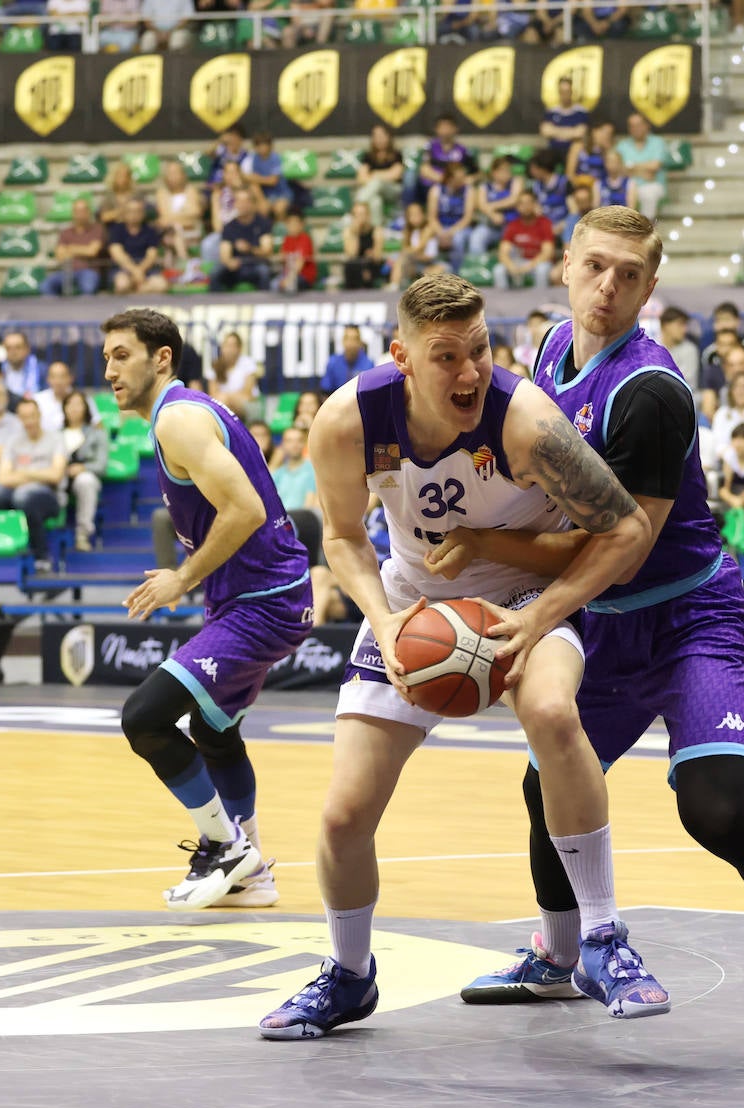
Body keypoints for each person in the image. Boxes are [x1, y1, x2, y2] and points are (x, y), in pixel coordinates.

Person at [441, 207, 744, 1044]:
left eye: (628, 275)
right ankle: (557, 957)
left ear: (649, 287)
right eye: (595, 266)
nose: (607, 287)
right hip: (604, 619)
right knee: (545, 784)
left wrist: (529, 608)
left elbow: (624, 549)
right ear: (565, 266)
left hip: (687, 615)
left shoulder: (651, 391)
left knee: (715, 810)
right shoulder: (547, 356)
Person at [260, 272, 670, 1039]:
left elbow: (623, 531)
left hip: (522, 596)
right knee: (344, 813)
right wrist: (381, 623)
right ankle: (349, 974)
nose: (471, 371)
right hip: (414, 604)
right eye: (447, 356)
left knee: (551, 711)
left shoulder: (525, 423)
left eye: (479, 349)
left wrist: (543, 614)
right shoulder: (348, 421)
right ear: (402, 358)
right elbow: (344, 538)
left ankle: (604, 939)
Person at [107, 309, 312, 909]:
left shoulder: (178, 421)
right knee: (214, 731)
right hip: (252, 596)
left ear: (161, 357)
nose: (110, 371)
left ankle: (225, 848)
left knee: (144, 718)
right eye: (106, 359)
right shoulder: (189, 413)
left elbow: (245, 510)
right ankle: (252, 876)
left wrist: (182, 577)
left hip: (262, 600)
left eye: (122, 355)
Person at [0, 398, 66, 569]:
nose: (29, 421)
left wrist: (22, 472)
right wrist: (40, 474)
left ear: (39, 415)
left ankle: (41, 556)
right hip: (17, 493)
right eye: (24, 417)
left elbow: (56, 475)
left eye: (32, 416)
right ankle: (7, 549)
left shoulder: (56, 439)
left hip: (49, 496)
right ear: (19, 419)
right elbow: (3, 478)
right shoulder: (13, 441)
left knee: (23, 497)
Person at [61, 389, 107, 552]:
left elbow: (101, 465)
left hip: (85, 475)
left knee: (85, 481)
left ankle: (82, 534)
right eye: (70, 404)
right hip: (60, 476)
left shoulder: (97, 433)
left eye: (78, 404)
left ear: (86, 408)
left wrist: (82, 468)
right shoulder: (55, 435)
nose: (74, 408)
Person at [209, 188, 273, 292]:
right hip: (235, 266)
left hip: (255, 263)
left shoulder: (263, 224)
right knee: (215, 272)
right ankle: (217, 303)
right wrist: (229, 262)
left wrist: (250, 249)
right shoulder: (229, 227)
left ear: (253, 204)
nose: (242, 204)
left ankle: (264, 302)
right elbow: (224, 253)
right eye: (239, 201)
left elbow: (267, 251)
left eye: (246, 201)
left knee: (264, 271)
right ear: (235, 204)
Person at [41, 197, 105, 296]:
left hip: (88, 271)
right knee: (45, 286)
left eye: (83, 210)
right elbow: (60, 255)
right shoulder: (66, 232)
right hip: (67, 271)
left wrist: (71, 248)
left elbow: (92, 251)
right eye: (77, 211)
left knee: (88, 286)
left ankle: (85, 310)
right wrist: (82, 250)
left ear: (89, 212)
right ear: (73, 213)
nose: (80, 214)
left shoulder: (97, 229)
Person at [494, 188, 555, 289]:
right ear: (517, 207)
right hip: (518, 261)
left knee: (542, 270)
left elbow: (547, 253)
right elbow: (503, 252)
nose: (525, 206)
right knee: (498, 270)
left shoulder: (545, 223)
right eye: (521, 203)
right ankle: (504, 301)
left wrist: (529, 266)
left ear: (534, 204)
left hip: (537, 262)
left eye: (528, 203)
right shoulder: (512, 225)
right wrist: (510, 266)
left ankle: (540, 300)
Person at [109, 197, 169, 295]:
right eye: (130, 211)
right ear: (124, 213)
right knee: (122, 284)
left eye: (137, 211)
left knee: (161, 285)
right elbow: (117, 254)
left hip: (147, 268)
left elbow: (152, 255)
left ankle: (136, 290)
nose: (134, 215)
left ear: (143, 213)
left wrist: (140, 271)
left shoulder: (150, 231)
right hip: (123, 268)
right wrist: (135, 271)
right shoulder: (116, 230)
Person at [615, 113, 667, 221]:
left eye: (638, 125)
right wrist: (643, 171)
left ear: (646, 126)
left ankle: (646, 229)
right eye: (632, 126)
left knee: (648, 193)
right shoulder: (622, 145)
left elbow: (655, 166)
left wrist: (631, 167)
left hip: (652, 184)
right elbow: (618, 168)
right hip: (626, 185)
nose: (635, 129)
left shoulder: (658, 142)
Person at [354, 123, 404, 227]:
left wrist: (374, 174)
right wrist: (383, 175)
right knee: (375, 201)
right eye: (375, 136)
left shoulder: (396, 154)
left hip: (393, 191)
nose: (378, 139)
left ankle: (357, 205)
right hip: (374, 192)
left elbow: (396, 175)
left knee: (377, 182)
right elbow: (360, 178)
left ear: (388, 137)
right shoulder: (368, 156)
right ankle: (377, 230)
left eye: (381, 136)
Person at [270, 426, 317, 512]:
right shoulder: (277, 474)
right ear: (283, 444)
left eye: (299, 440)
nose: (294, 445)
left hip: (303, 521)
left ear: (304, 444)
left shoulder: (313, 471)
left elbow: (310, 503)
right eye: (289, 441)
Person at [342, 201, 385, 291]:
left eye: (362, 214)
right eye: (357, 215)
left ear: (368, 215)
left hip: (372, 264)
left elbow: (378, 257)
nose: (360, 217)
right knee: (350, 266)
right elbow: (352, 254)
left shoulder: (376, 231)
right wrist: (356, 232)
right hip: (355, 266)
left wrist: (372, 253)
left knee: (368, 267)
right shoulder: (349, 232)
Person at [539, 77, 589, 155]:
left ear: (572, 92)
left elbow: (580, 133)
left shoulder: (581, 112)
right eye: (562, 92)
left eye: (567, 91)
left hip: (574, 153)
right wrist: (571, 131)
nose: (565, 95)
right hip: (553, 152)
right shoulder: (551, 112)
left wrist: (555, 131)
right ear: (558, 92)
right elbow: (545, 131)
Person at [657, 307, 700, 395]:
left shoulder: (690, 349)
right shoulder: (652, 347)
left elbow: (685, 382)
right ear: (666, 325)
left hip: (683, 396)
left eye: (685, 325)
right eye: (680, 324)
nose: (685, 330)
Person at [321, 325, 374, 394]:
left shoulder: (368, 364)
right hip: (336, 402)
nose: (350, 343)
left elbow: (370, 391)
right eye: (347, 338)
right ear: (343, 341)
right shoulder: (333, 362)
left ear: (360, 342)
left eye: (354, 339)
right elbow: (325, 390)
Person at [1, 332, 43, 400]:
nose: (13, 352)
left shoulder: (42, 370)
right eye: (9, 348)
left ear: (27, 349)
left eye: (18, 347)